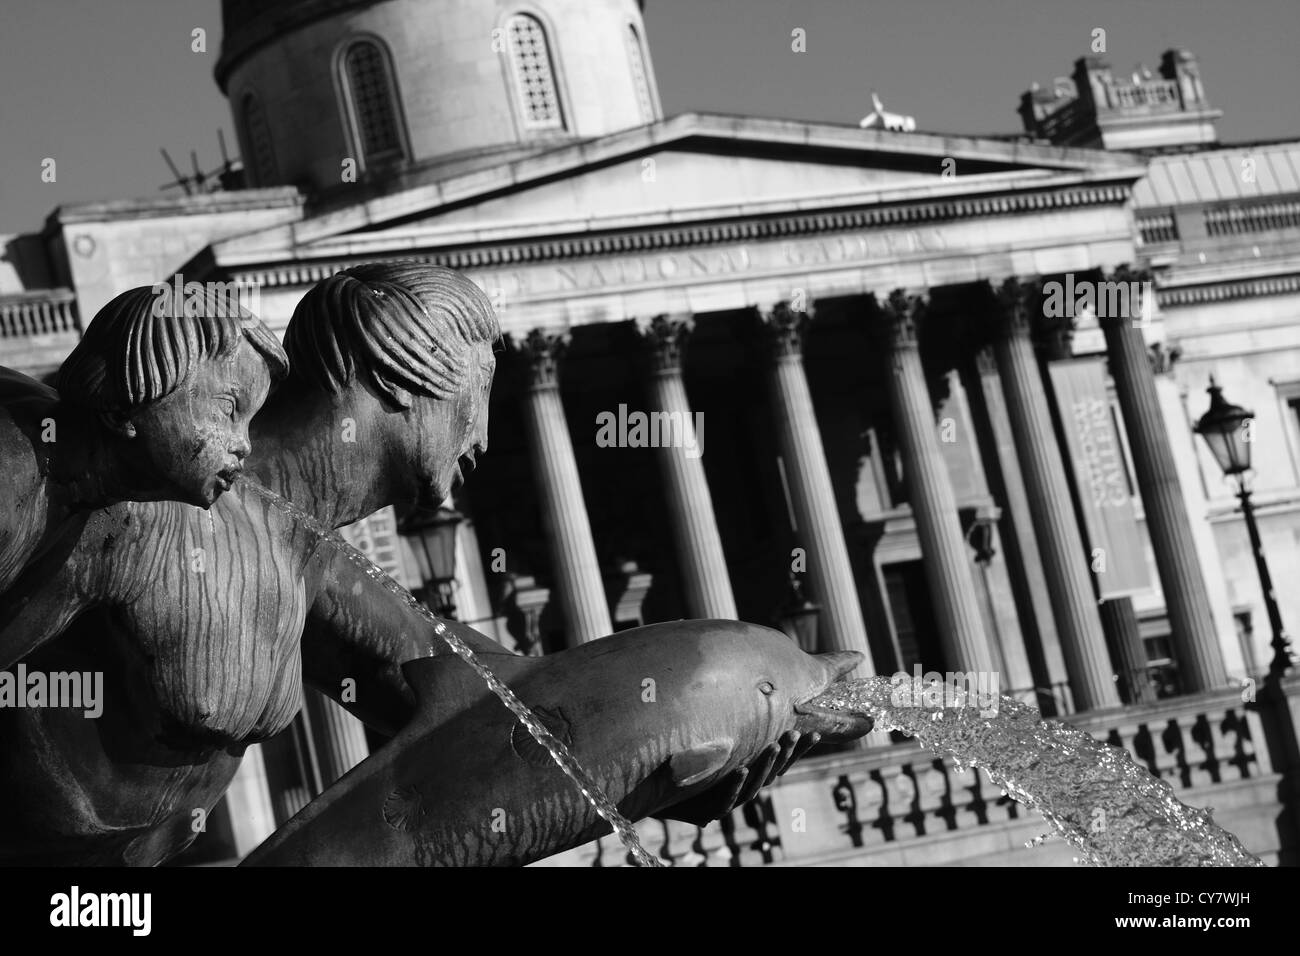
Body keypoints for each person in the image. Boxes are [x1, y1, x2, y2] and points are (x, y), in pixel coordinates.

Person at [0, 262, 817, 865]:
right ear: (398, 375)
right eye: (477, 392)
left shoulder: (309, 554)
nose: (485, 437)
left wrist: (708, 737)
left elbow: (498, 700)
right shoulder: (115, 492)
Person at [0, 282, 287, 599]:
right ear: (124, 410)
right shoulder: (12, 478)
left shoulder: (80, 501)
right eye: (228, 408)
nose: (244, 445)